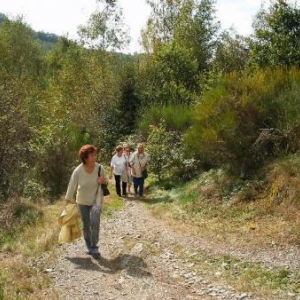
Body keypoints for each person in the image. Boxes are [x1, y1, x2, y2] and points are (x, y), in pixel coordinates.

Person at [65, 144, 107, 257]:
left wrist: (103, 181)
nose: (95, 157)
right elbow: (72, 185)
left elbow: (106, 181)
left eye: (95, 155)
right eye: (92, 155)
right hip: (82, 201)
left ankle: (94, 247)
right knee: (86, 224)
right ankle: (88, 245)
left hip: (96, 200)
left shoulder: (99, 168)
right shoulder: (78, 171)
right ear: (85, 157)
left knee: (95, 223)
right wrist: (68, 198)